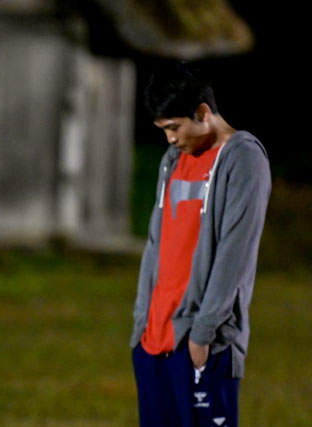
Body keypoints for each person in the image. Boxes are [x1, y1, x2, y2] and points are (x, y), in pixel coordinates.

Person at [130, 62, 271, 427]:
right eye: (164, 130)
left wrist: (203, 334)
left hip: (202, 344)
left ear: (203, 113)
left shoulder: (243, 158)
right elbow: (156, 243)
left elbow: (234, 254)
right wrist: (141, 324)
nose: (170, 139)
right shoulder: (173, 160)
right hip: (153, 340)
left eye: (174, 127)